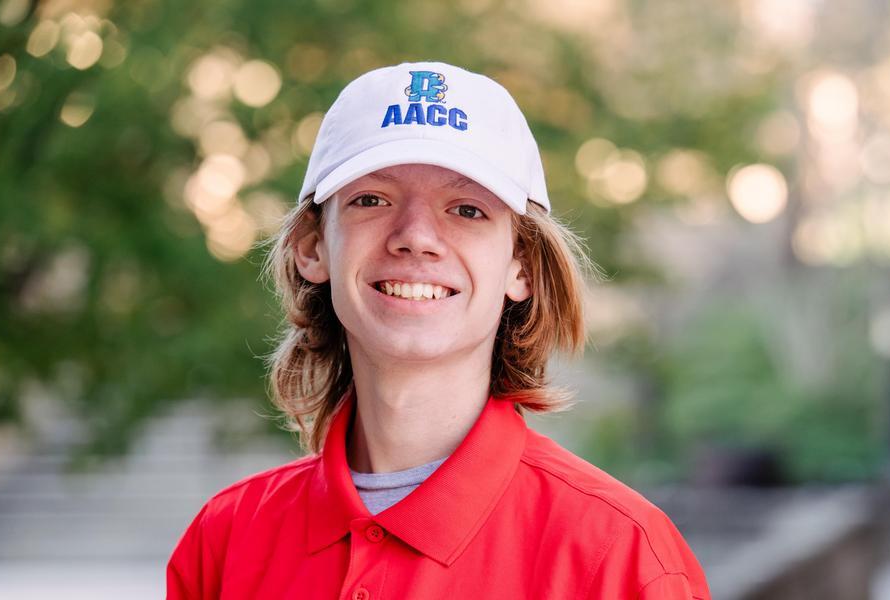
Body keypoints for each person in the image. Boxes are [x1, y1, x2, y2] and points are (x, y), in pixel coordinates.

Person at [166, 61, 711, 599]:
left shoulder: (621, 558)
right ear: (313, 247)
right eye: (371, 200)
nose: (416, 237)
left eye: (467, 210)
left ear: (521, 265)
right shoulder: (224, 542)